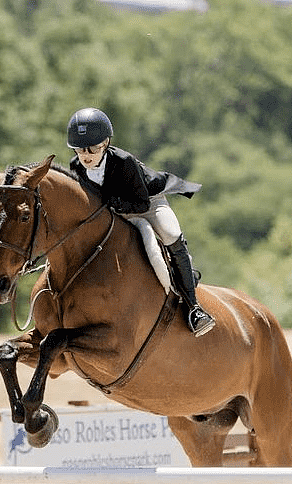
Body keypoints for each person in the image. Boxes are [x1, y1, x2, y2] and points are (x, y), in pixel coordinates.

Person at [66, 107, 216, 337]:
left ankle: (193, 307)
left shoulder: (124, 162)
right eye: (80, 149)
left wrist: (114, 204)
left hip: (147, 202)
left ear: (105, 143)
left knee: (170, 233)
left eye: (92, 148)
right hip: (114, 209)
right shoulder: (76, 167)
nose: (85, 154)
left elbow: (141, 204)